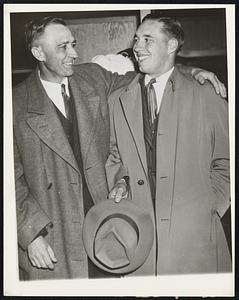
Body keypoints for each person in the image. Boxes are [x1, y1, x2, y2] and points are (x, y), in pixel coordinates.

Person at [13, 15, 226, 280]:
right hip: (52, 238)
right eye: (63, 47)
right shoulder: (14, 104)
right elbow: (10, 181)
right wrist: (31, 233)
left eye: (74, 44)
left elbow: (147, 74)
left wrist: (190, 71)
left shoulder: (92, 77)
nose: (75, 53)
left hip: (107, 229)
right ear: (38, 52)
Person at [106, 14, 231, 275]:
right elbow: (115, 155)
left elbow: (227, 159)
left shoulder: (206, 93)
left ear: (172, 46)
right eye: (137, 39)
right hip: (140, 240)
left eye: (148, 40)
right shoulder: (118, 97)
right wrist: (121, 180)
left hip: (194, 241)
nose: (137, 47)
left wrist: (210, 207)